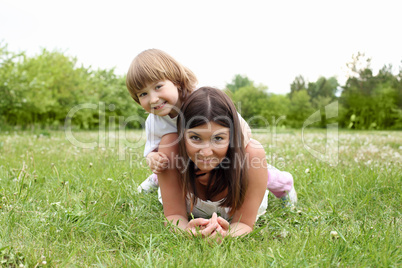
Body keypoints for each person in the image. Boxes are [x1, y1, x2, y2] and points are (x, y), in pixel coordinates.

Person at [126, 49, 296, 207]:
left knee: (253, 171)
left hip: (222, 153)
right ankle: (156, 179)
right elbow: (152, 149)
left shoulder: (203, 101)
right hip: (191, 158)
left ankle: (284, 184)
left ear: (176, 82)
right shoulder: (154, 120)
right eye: (143, 94)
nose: (153, 99)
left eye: (158, 87)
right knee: (166, 158)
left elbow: (243, 130)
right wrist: (153, 158)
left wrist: (225, 161)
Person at [159, 87, 271, 238]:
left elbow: (244, 223)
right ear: (181, 134)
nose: (206, 152)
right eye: (195, 138)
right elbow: (173, 215)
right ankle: (154, 180)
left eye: (218, 138)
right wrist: (186, 231)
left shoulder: (252, 155)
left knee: (270, 174)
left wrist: (227, 235)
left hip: (242, 168)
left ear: (232, 136)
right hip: (185, 165)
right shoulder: (170, 148)